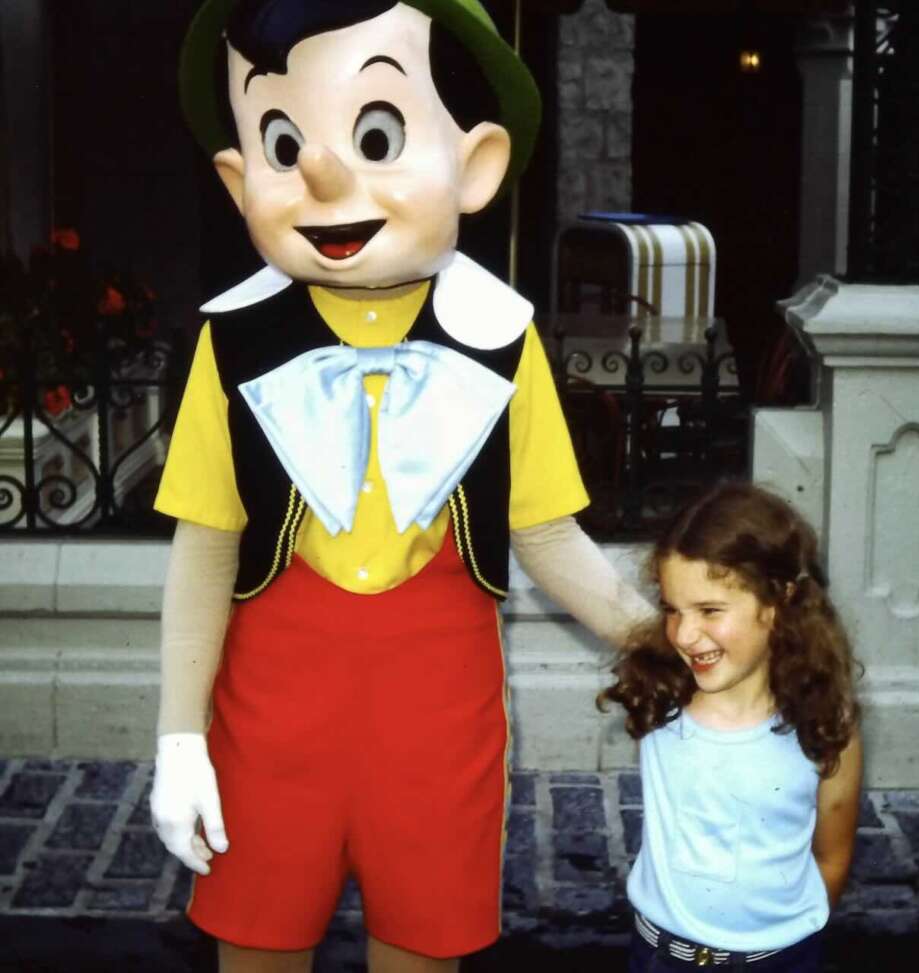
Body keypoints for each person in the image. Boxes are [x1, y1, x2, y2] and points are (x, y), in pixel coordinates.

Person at [150, 2, 649, 971]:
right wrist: (179, 738)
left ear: (477, 163)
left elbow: (548, 537)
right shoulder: (233, 341)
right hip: (270, 701)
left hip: (440, 701)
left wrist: (664, 636)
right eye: (283, 142)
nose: (326, 174)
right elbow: (207, 545)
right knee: (256, 941)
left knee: (422, 946)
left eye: (377, 134)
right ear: (237, 175)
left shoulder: (502, 337)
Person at [600, 482, 863, 972]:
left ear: (778, 601)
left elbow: (833, 854)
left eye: (710, 611)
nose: (684, 633)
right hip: (660, 957)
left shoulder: (823, 723)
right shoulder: (661, 694)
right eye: (673, 610)